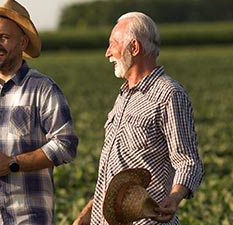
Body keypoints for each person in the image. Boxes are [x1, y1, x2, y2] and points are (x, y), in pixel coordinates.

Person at [0, 0, 79, 224]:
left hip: (28, 216)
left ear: (23, 43)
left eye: (3, 37)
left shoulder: (43, 89)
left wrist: (12, 163)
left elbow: (66, 144)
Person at [73, 12, 204, 225]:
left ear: (134, 48)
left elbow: (188, 161)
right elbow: (113, 171)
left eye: (113, 44)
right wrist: (87, 214)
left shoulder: (169, 94)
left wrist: (173, 198)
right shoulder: (123, 96)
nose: (108, 53)